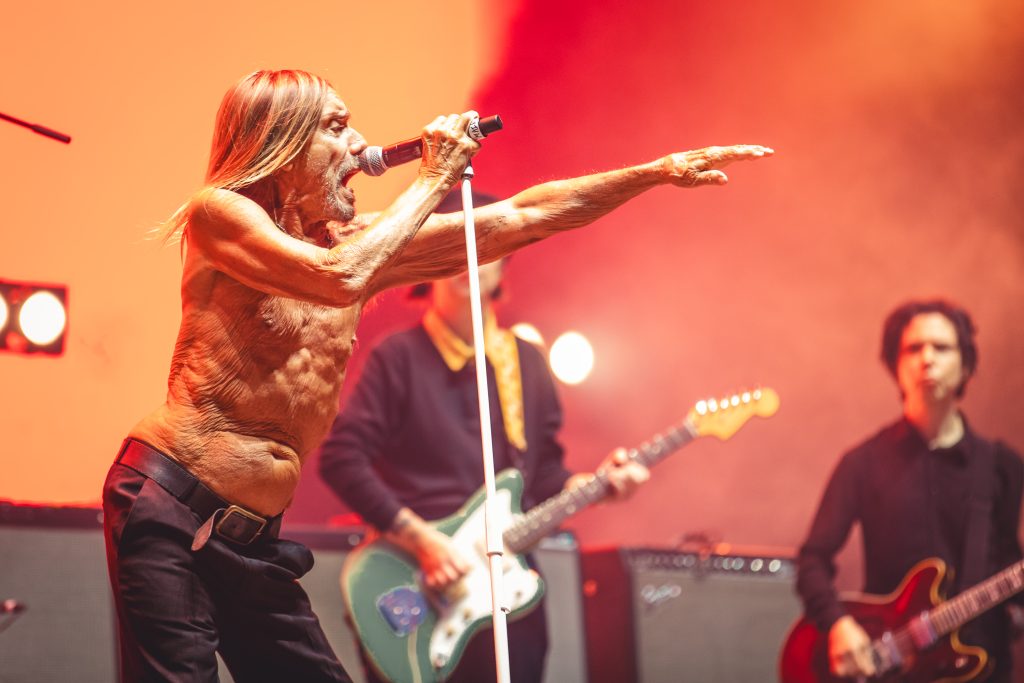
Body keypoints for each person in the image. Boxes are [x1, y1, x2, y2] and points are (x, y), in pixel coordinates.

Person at [100, 68, 772, 683]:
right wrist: (432, 179)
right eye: (336, 127)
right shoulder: (220, 214)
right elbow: (340, 280)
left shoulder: (359, 244)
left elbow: (521, 217)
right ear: (283, 144)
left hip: (253, 540)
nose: (358, 141)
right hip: (170, 506)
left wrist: (654, 172)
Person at [318, 190, 649, 682]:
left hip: (510, 595)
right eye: (449, 243)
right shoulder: (398, 358)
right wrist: (425, 542)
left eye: (484, 245)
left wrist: (598, 484)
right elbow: (341, 458)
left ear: (505, 263)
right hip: (421, 585)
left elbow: (543, 478)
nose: (468, 259)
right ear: (425, 262)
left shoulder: (527, 362)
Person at [795, 299, 1024, 681]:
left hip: (981, 666)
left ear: (966, 365)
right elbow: (812, 560)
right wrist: (838, 625)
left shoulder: (1003, 466)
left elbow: (1006, 562)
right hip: (890, 666)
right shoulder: (862, 463)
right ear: (895, 367)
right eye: (913, 348)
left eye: (942, 347)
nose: (927, 359)